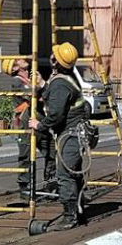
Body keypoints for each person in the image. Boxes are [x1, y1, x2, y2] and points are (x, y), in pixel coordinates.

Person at [29, 42, 89, 229]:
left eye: (53, 55)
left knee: (64, 175)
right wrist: (43, 85)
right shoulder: (67, 78)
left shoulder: (60, 84)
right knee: (73, 173)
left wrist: (39, 125)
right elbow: (58, 99)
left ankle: (70, 216)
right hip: (75, 133)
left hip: (70, 135)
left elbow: (55, 114)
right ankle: (78, 210)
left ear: (55, 61)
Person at [2, 57, 54, 200]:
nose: (22, 59)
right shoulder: (17, 81)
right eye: (18, 60)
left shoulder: (29, 78)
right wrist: (41, 84)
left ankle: (51, 183)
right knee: (26, 156)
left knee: (52, 152)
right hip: (25, 123)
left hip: (38, 121)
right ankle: (25, 189)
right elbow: (33, 95)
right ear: (14, 68)